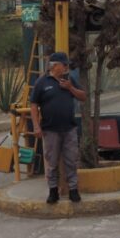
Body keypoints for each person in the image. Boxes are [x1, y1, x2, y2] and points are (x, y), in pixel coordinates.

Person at [30, 51, 87, 205]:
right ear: (55, 66)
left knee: (71, 160)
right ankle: (53, 191)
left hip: (69, 129)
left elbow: (83, 96)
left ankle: (73, 190)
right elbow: (34, 104)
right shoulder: (42, 82)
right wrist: (36, 126)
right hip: (50, 130)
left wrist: (70, 88)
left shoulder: (70, 79)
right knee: (52, 161)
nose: (67, 67)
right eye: (64, 65)